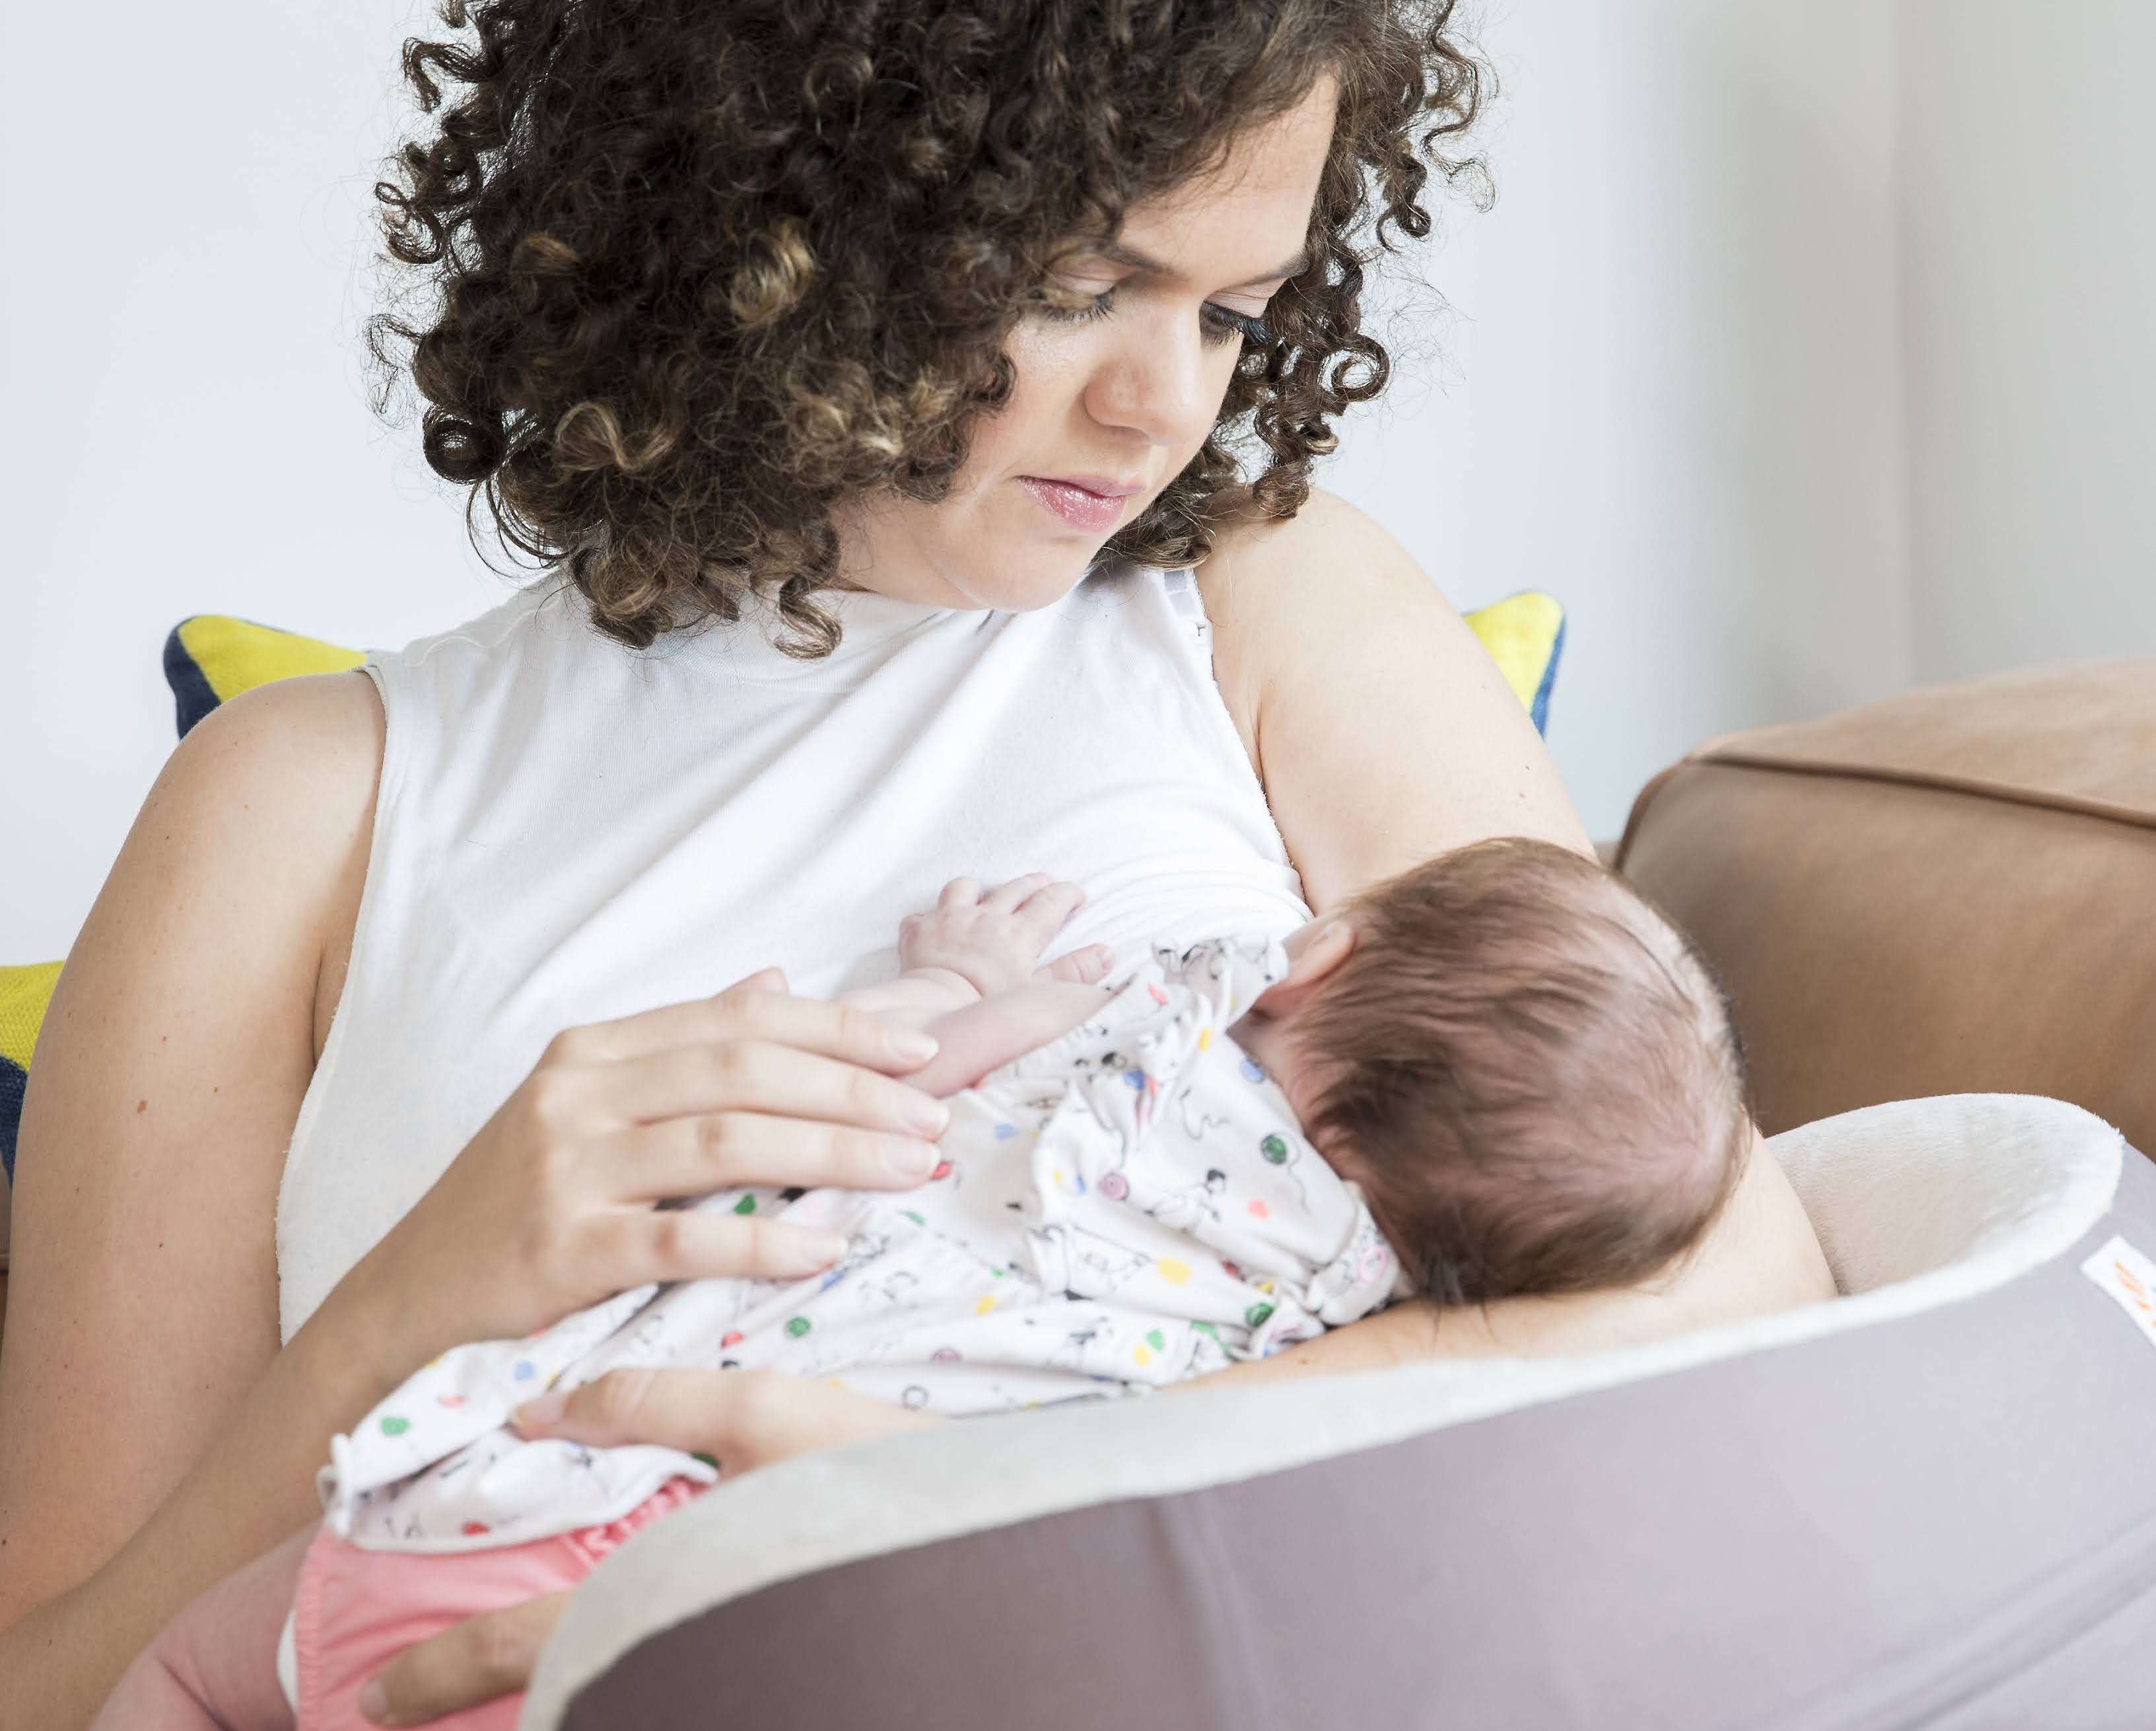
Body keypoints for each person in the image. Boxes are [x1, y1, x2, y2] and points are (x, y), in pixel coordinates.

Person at [0, 4, 1830, 1726]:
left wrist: (1000, 1497)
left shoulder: (1265, 604)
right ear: (768, 221)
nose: (1157, 407)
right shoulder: (300, 804)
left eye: (1230, 317)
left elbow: (1731, 1278)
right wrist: (420, 1296)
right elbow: (50, 1682)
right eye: (1077, 284)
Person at [94, 842, 1820, 1730]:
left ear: (1325, 954)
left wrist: (968, 979)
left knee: (186, 1675)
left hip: (502, 1498)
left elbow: (903, 1078)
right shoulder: (1351, 1307)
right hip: (765, 1626)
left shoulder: (1169, 1022)